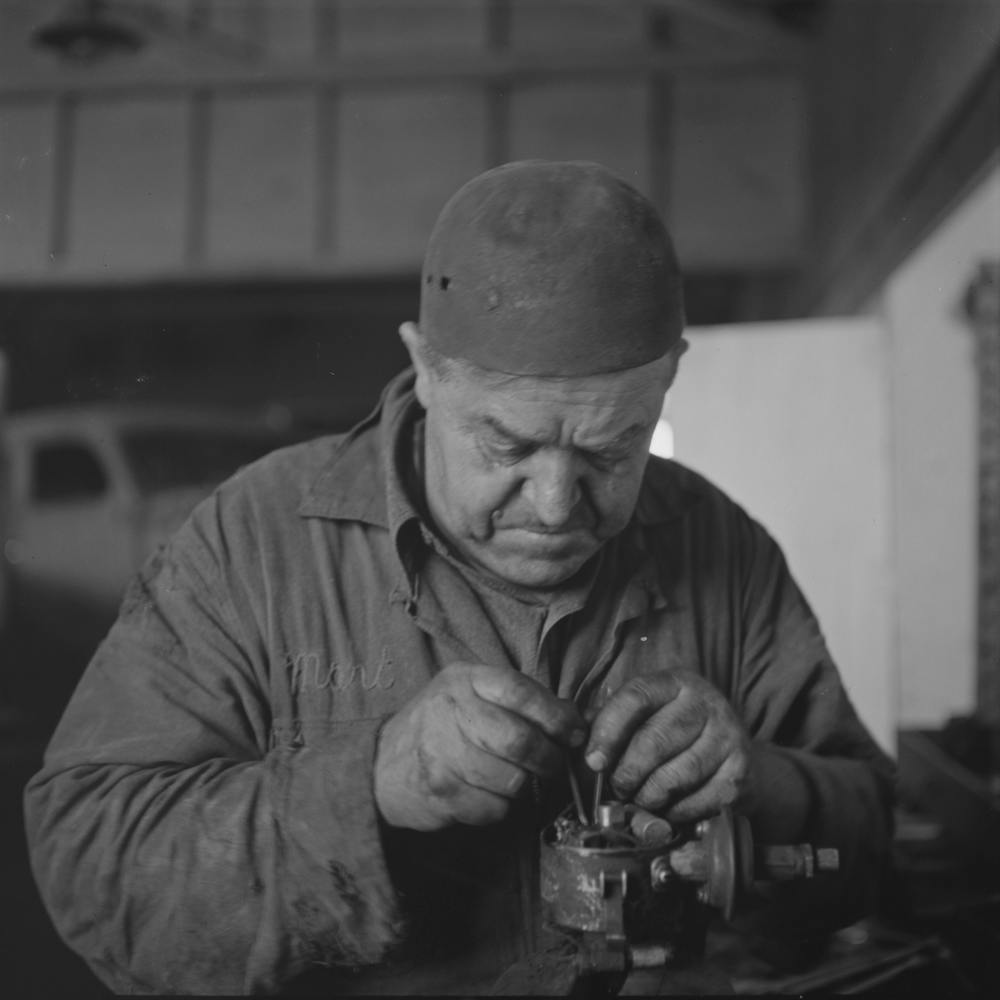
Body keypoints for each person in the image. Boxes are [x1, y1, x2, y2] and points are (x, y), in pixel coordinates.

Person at [24, 160, 893, 995]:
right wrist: (366, 786)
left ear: (667, 380)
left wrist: (761, 782)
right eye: (507, 446)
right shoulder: (253, 543)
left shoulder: (722, 546)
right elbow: (89, 867)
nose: (557, 505)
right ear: (426, 369)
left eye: (611, 447)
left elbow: (877, 844)